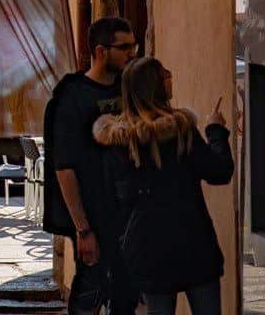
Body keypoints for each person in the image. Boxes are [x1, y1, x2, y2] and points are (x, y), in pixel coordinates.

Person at [93, 58, 234, 315]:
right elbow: (219, 171)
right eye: (165, 75)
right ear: (154, 85)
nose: (171, 77)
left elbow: (110, 200)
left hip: (146, 248)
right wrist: (215, 131)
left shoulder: (118, 141)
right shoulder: (181, 131)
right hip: (193, 242)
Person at [43, 16, 140, 315]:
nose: (131, 54)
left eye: (133, 47)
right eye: (124, 48)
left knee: (127, 291)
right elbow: (64, 168)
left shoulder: (129, 91)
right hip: (93, 213)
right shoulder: (71, 97)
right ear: (101, 51)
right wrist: (83, 229)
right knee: (90, 290)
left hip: (128, 211)